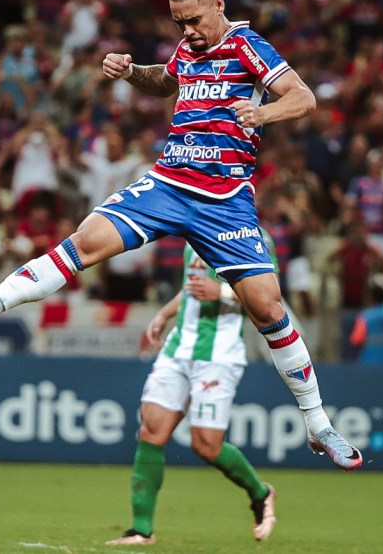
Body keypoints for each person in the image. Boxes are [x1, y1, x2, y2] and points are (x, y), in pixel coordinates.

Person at [0, 0, 362, 471]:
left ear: (218, 4)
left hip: (225, 199)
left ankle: (317, 424)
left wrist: (262, 114)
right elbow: (167, 80)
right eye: (179, 23)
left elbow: (303, 97)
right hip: (170, 183)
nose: (188, 31)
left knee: (267, 309)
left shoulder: (247, 45)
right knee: (86, 240)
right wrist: (132, 71)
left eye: (194, 19)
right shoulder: (189, 48)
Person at [107, 232, 277, 546]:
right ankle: (141, 530)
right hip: (178, 349)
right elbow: (192, 287)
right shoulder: (194, 229)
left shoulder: (256, 239)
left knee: (207, 446)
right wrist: (164, 314)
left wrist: (221, 292)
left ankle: (260, 493)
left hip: (218, 355)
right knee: (151, 430)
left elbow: (267, 297)